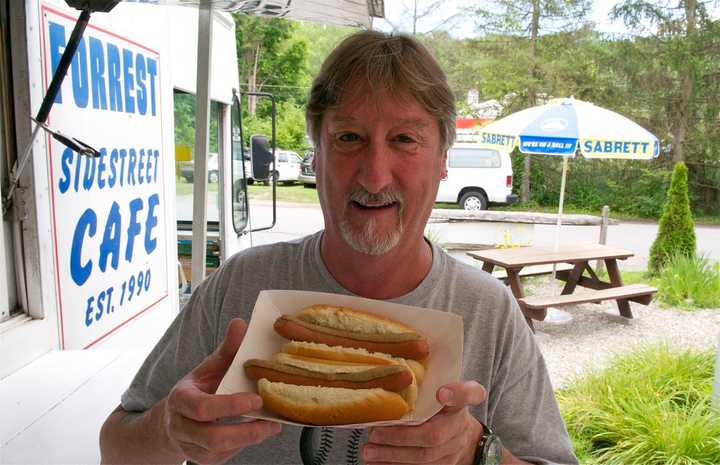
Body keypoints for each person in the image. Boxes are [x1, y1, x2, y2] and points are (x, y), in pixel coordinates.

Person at [99, 30, 578, 465]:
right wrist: (168, 430)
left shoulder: (487, 310)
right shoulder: (240, 283)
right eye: (348, 137)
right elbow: (115, 448)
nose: (374, 176)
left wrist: (481, 453)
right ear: (317, 155)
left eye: (405, 139)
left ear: (442, 163)